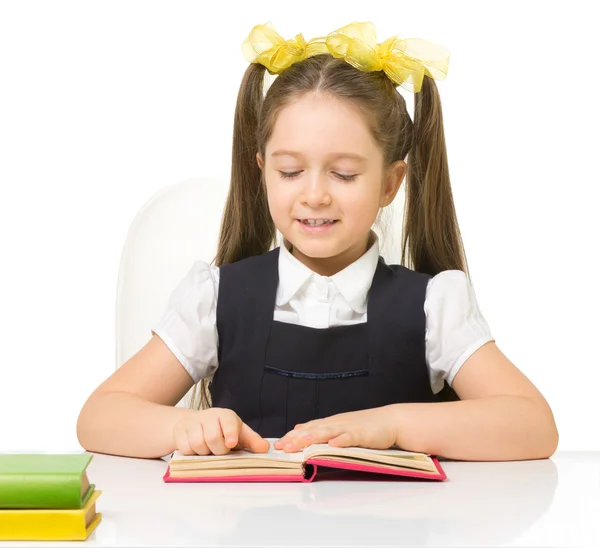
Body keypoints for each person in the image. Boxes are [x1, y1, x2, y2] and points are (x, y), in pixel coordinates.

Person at [76, 22, 559, 462]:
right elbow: (100, 417)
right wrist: (185, 425)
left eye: (344, 174)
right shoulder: (217, 298)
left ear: (390, 183)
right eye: (290, 171)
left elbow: (533, 425)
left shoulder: (434, 306)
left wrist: (391, 423)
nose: (314, 195)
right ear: (263, 172)